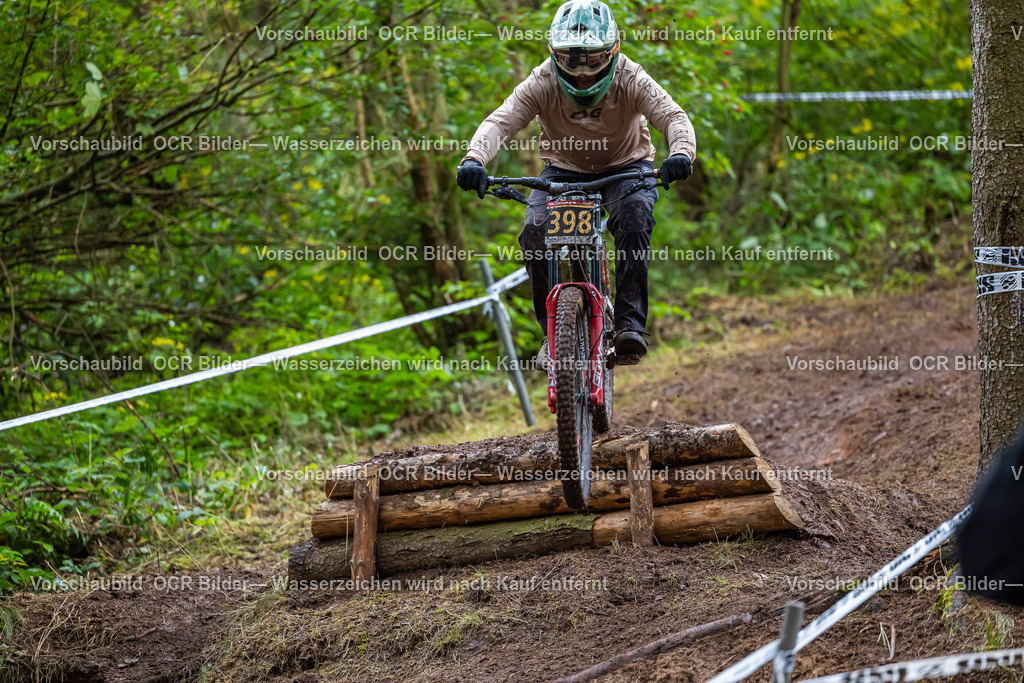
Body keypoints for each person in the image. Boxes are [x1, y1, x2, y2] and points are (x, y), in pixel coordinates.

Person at [456, 0, 696, 364]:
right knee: (535, 233)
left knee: (634, 217)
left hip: (627, 168)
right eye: (571, 60)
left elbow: (672, 115)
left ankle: (630, 325)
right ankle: (553, 336)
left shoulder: (631, 77)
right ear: (554, 55)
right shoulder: (542, 81)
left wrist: (681, 153)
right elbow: (499, 122)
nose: (582, 72)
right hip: (563, 171)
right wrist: (474, 158)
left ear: (613, 52)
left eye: (594, 59)